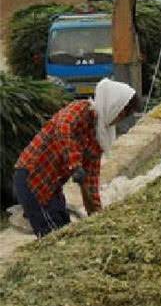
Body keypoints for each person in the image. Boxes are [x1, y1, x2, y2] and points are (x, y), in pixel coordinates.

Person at [13, 79, 139, 238]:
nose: (120, 117)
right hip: (32, 179)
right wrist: (75, 165)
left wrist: (99, 219)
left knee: (65, 229)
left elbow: (91, 180)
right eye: (123, 112)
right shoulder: (81, 110)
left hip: (52, 187)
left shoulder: (99, 137)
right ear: (113, 104)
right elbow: (63, 128)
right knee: (52, 236)